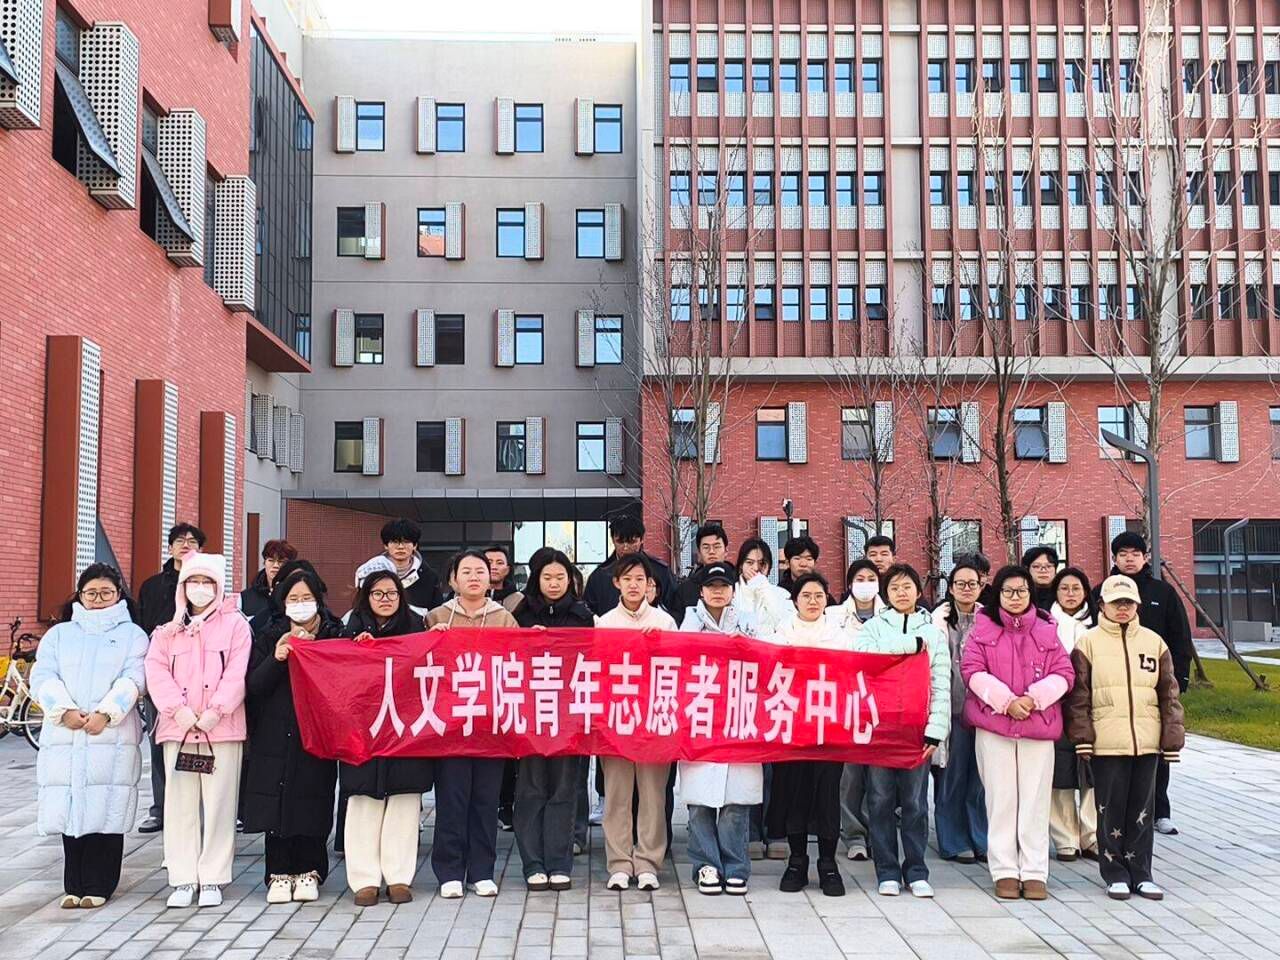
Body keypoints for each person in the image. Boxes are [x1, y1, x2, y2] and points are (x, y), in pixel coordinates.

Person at [32, 564, 148, 909]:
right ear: (79, 595)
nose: (98, 599)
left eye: (106, 593)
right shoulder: (59, 635)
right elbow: (43, 675)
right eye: (91, 593)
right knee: (70, 806)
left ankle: (100, 884)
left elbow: (134, 678)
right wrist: (63, 710)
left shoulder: (132, 635)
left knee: (107, 806)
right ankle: (74, 884)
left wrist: (107, 712)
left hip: (110, 732)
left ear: (118, 595)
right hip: (66, 732)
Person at [1067, 574, 1185, 901]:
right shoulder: (1088, 643)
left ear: (1137, 606)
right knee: (1110, 809)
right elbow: (1078, 696)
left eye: (1129, 603)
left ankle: (1142, 873)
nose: (1122, 608)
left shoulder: (1154, 643)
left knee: (1142, 811)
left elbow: (1169, 694)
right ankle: (1115, 872)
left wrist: (1172, 738)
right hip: (1106, 743)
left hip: (1146, 741)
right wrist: (1082, 736)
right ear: (1102, 605)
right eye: (1116, 602)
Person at [144, 553, 251, 909]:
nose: (200, 589)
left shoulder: (236, 626)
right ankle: (183, 876)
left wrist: (216, 711)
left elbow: (237, 672)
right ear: (183, 587)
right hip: (179, 730)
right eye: (194, 582)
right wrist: (178, 711)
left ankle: (213, 876)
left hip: (221, 730)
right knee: (179, 805)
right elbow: (156, 673)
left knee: (220, 804)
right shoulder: (167, 631)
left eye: (208, 582)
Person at [961, 565, 1074, 901]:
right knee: (1001, 800)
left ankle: (1035, 871)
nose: (1015, 597)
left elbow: (1064, 673)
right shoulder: (982, 629)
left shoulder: (1047, 630)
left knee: (1034, 801)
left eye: (1021, 591)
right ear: (997, 594)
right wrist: (1006, 701)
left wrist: (1033, 699)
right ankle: (1005, 870)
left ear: (1030, 594)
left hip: (1037, 726)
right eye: (1008, 591)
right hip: (994, 725)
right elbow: (971, 670)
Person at [242, 567, 343, 904]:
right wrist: (278, 658)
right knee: (278, 800)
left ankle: (310, 869)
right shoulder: (269, 635)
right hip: (275, 732)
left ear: (319, 600)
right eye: (293, 598)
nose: (300, 604)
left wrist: (319, 654)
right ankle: (278, 872)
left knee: (313, 799)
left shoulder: (334, 634)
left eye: (307, 598)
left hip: (316, 733)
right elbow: (253, 686)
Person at [426, 551, 520, 899]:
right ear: (453, 579)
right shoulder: (436, 616)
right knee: (451, 798)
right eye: (465, 571)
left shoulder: (504, 618)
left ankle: (481, 870)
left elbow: (519, 662)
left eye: (480, 571)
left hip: (490, 723)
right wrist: (431, 639)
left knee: (485, 798)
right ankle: (449, 870)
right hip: (449, 725)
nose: (474, 577)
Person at [854, 564, 951, 898]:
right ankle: (887, 871)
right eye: (894, 587)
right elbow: (862, 656)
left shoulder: (933, 632)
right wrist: (912, 644)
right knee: (879, 801)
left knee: (915, 803)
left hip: (916, 730)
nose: (901, 592)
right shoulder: (872, 627)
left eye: (907, 586)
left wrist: (936, 731)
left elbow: (941, 683)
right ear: (886, 593)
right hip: (880, 728)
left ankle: (916, 870)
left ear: (918, 591)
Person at [340, 569, 434, 906]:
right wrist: (356, 650)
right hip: (363, 730)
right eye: (378, 593)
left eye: (391, 593)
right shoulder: (349, 629)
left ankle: (398, 877)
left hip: (406, 729)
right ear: (366, 596)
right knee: (363, 804)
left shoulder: (417, 627)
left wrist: (437, 639)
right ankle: (364, 879)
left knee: (404, 805)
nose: (385, 599)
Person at [1093, 531, 1192, 837]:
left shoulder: (1163, 592)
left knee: (1157, 748)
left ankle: (1160, 811)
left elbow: (1180, 637)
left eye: (1135, 554)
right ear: (1114, 558)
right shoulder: (1101, 591)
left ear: (1145, 557)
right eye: (1123, 554)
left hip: (1152, 684)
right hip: (1113, 686)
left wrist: (1179, 679)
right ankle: (1117, 815)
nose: (1129, 559)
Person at [511, 550, 594, 892]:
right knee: (531, 789)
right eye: (547, 577)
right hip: (531, 714)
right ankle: (532, 863)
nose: (554, 583)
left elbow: (594, 660)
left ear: (570, 580)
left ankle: (559, 862)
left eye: (560, 577)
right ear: (537, 579)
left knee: (564, 788)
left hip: (569, 715)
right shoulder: (521, 614)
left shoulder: (583, 615)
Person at [676, 562, 761, 895]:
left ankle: (736, 865)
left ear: (733, 591)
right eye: (711, 586)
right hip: (700, 720)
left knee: (735, 801)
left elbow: (769, 662)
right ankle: (706, 865)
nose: (717, 592)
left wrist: (748, 647)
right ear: (701, 591)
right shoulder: (689, 622)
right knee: (699, 800)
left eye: (724, 586)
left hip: (739, 718)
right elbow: (677, 662)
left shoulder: (749, 622)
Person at [596, 553, 678, 891]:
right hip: (616, 720)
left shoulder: (664, 622)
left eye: (640, 579)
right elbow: (597, 671)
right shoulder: (604, 623)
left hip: (654, 719)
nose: (634, 585)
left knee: (652, 794)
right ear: (617, 583)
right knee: (617, 794)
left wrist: (659, 646)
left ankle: (648, 862)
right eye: (627, 579)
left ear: (650, 585)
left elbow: (678, 670)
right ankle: (618, 862)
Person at [767, 572, 848, 896]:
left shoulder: (840, 635)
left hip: (830, 728)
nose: (813, 601)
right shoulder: (781, 634)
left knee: (828, 796)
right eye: (806, 595)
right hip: (792, 727)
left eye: (818, 595)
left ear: (827, 599)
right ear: (795, 600)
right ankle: (797, 861)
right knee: (795, 794)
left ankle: (828, 863)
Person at [134, 521, 206, 834]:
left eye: (192, 541)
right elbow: (142, 629)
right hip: (161, 675)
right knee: (160, 743)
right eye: (179, 540)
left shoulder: (206, 584)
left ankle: (200, 808)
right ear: (170, 547)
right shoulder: (152, 586)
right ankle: (162, 808)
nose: (185, 545)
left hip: (200, 675)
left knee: (202, 742)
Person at [732, 538, 795, 860]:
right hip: (741, 688)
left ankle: (775, 829)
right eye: (750, 563)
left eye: (762, 564)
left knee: (775, 764)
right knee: (747, 764)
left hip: (774, 686)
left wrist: (764, 591)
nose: (755, 569)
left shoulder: (781, 595)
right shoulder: (731, 594)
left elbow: (786, 628)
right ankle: (751, 831)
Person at [929, 557, 989, 865]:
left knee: (979, 780)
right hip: (950, 709)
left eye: (972, 583)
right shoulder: (937, 621)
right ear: (950, 588)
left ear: (981, 586)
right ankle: (953, 840)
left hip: (983, 711)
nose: (966, 588)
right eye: (960, 583)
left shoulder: (989, 619)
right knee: (951, 777)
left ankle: (980, 838)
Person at [826, 558, 883, 863]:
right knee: (850, 776)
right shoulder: (833, 615)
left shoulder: (891, 615)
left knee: (879, 776)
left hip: (880, 705)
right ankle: (853, 834)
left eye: (870, 578)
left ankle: (879, 832)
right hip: (845, 703)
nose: (865, 584)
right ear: (849, 584)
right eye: (859, 579)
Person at [1047, 567, 1099, 863]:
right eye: (1064, 588)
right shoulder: (1045, 623)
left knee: (1093, 773)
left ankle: (1092, 836)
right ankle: (1065, 839)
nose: (1070, 594)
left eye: (1076, 588)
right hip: (1057, 705)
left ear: (1085, 592)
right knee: (1061, 773)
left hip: (1093, 706)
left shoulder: (1099, 623)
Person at [584, 515, 674, 615]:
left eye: (632, 542)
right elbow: (588, 615)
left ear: (641, 540)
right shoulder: (599, 576)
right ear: (613, 540)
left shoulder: (661, 571)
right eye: (620, 542)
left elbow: (675, 611)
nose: (625, 547)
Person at [356, 518, 443, 615]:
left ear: (415, 545)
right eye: (394, 542)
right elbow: (361, 607)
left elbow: (436, 613)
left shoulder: (429, 576)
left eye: (406, 542)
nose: (400, 547)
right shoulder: (369, 572)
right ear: (386, 545)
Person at [669, 523, 729, 623]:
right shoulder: (685, 590)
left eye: (716, 546)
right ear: (699, 553)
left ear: (726, 551)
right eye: (706, 547)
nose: (711, 551)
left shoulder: (738, 584)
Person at [239, 539, 299, 634]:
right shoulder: (245, 597)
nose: (276, 566)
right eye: (271, 560)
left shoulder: (298, 595)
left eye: (281, 562)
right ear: (264, 562)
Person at [1021, 546, 1060, 611]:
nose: (1043, 571)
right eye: (1036, 566)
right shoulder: (1020, 595)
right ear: (1027, 569)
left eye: (1048, 566)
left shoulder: (1064, 594)